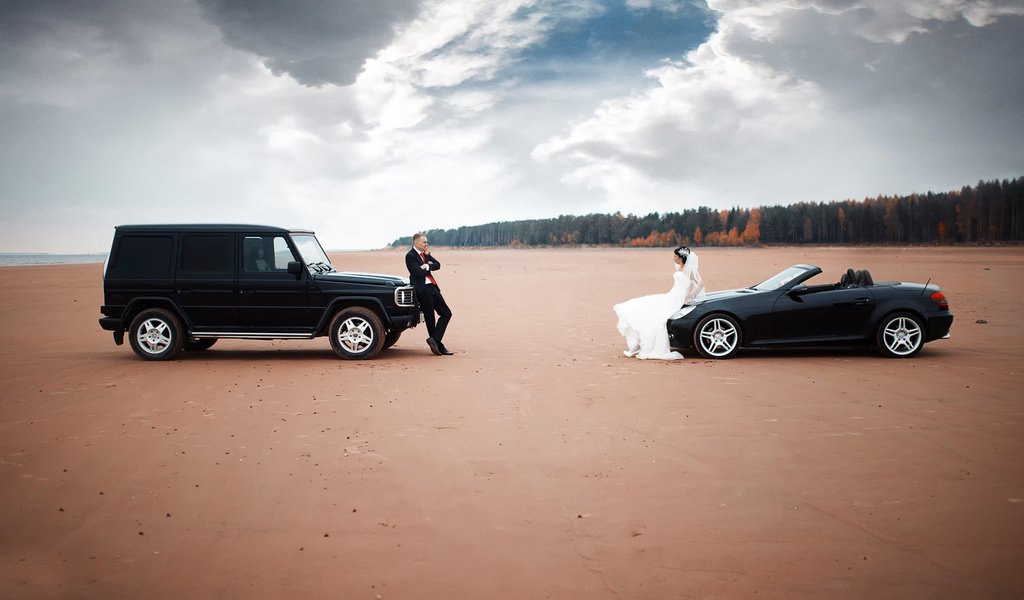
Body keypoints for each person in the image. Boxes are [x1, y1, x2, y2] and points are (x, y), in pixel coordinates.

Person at [614, 246, 705, 360]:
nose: (673, 258)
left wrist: (689, 296)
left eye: (675, 256)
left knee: (655, 318)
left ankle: (643, 347)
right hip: (671, 295)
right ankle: (637, 346)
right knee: (645, 306)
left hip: (677, 299)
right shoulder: (680, 268)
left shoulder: (689, 270)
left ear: (681, 257)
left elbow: (699, 284)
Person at [405, 233, 454, 356]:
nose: (426, 244)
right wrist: (426, 265)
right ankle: (438, 346)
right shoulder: (410, 256)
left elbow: (437, 265)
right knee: (430, 318)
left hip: (432, 287)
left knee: (446, 313)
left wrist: (426, 264)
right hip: (422, 290)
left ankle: (435, 340)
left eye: (426, 242)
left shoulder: (425, 255)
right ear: (416, 243)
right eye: (424, 242)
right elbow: (417, 273)